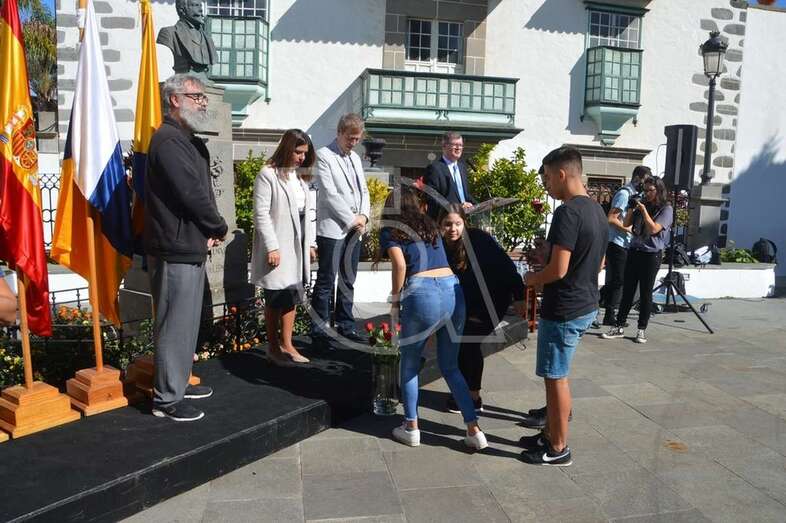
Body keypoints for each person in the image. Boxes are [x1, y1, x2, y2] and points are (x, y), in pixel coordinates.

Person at [144, 74, 227, 422]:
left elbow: (199, 191)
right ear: (175, 99)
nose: (203, 103)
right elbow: (190, 193)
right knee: (174, 323)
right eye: (197, 97)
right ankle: (166, 399)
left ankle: (177, 382)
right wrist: (217, 225)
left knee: (187, 322)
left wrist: (207, 232)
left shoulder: (188, 140)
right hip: (174, 246)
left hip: (189, 243)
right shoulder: (168, 140)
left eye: (204, 98)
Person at [380, 185, 487, 450]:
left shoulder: (391, 231)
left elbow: (401, 265)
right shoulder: (429, 225)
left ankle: (411, 427)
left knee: (409, 364)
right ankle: (474, 430)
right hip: (453, 289)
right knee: (450, 366)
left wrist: (395, 301)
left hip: (422, 293)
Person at [519, 146, 606, 466]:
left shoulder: (567, 212)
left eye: (545, 177)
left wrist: (532, 279)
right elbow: (598, 263)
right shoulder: (596, 210)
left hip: (565, 308)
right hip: (585, 302)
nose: (545, 184)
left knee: (556, 377)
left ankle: (558, 448)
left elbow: (558, 271)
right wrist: (550, 255)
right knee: (558, 375)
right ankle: (550, 433)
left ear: (561, 174)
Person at [439, 203, 526, 413]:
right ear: (440, 224)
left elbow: (506, 266)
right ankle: (463, 390)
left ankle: (473, 397)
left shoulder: (479, 239)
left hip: (492, 299)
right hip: (464, 302)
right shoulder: (440, 244)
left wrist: (520, 296)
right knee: (460, 344)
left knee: (469, 343)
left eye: (458, 224)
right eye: (448, 224)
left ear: (465, 223)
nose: (453, 229)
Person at [251, 129, 317, 366]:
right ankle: (272, 347)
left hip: (297, 243)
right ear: (287, 148)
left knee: (292, 295)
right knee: (275, 296)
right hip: (279, 242)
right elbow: (260, 214)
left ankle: (287, 344)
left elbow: (309, 213)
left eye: (304, 153)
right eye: (298, 152)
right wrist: (272, 247)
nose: (301, 157)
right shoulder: (268, 174)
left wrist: (310, 243)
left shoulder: (300, 178)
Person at [310, 114, 370, 348]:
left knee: (348, 279)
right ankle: (321, 329)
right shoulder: (324, 156)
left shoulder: (355, 157)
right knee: (326, 280)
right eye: (350, 138)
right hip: (333, 228)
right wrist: (352, 219)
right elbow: (330, 193)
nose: (353, 143)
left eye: (357, 139)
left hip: (356, 227)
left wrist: (364, 216)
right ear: (339, 133)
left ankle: (346, 324)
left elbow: (363, 189)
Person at [601, 176, 673, 344]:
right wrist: (633, 208)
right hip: (634, 250)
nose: (646, 194)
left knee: (646, 292)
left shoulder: (666, 209)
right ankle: (619, 326)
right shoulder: (642, 204)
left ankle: (641, 329)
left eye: (650, 191)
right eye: (645, 190)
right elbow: (627, 223)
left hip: (651, 254)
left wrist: (644, 210)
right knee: (627, 290)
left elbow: (654, 229)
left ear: (659, 191)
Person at [596, 166, 651, 327]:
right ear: (637, 178)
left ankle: (607, 311)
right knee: (617, 280)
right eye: (645, 179)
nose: (646, 184)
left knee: (619, 281)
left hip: (628, 243)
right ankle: (603, 308)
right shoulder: (624, 194)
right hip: (617, 242)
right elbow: (611, 218)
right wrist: (628, 229)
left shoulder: (638, 195)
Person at [157, 0, 218, 77]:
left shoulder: (207, 38)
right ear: (182, 10)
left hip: (204, 80)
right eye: (195, 5)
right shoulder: (169, 33)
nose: (200, 10)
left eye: (200, 6)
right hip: (183, 78)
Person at [424, 131, 475, 220]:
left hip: (462, 220)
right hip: (442, 221)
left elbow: (464, 195)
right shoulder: (434, 169)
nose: (458, 148)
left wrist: (480, 205)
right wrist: (457, 207)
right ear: (444, 146)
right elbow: (431, 198)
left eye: (461, 145)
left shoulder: (462, 167)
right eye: (455, 145)